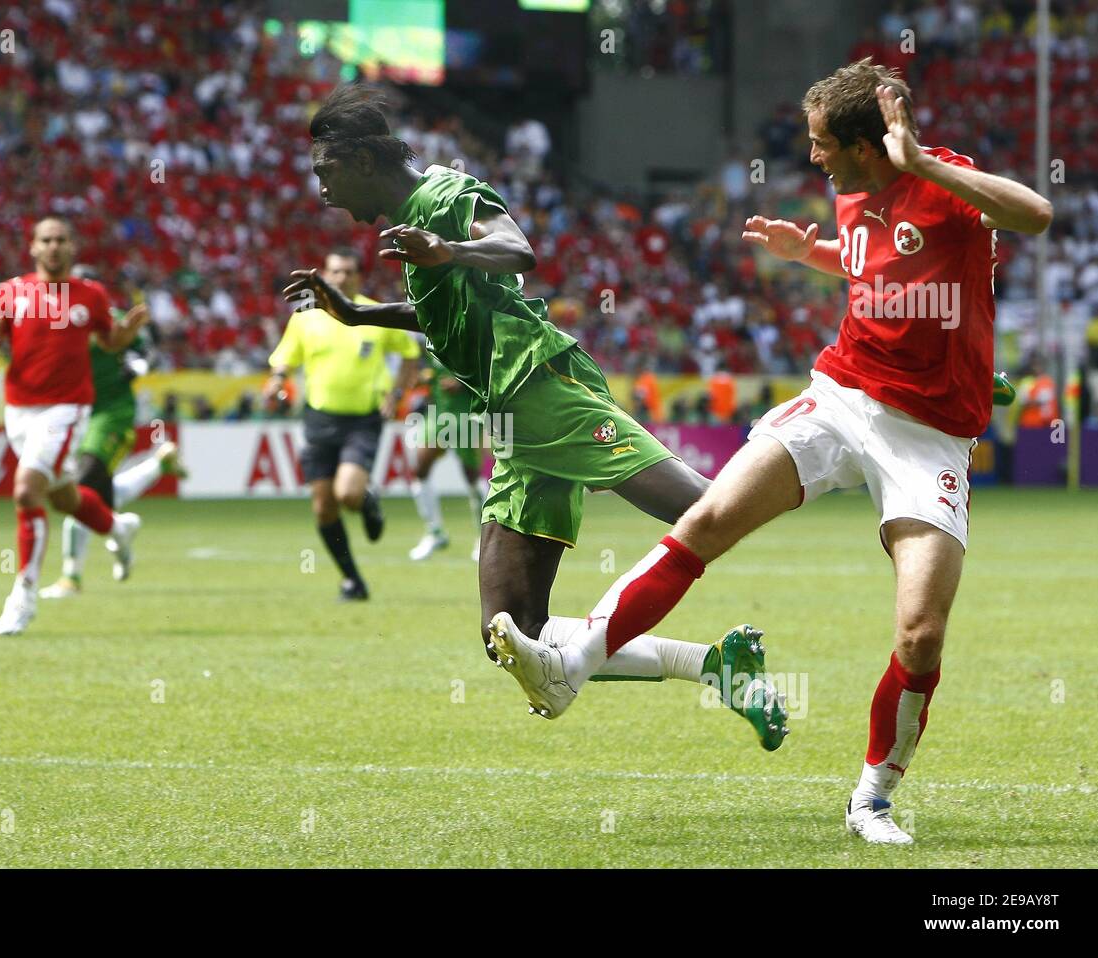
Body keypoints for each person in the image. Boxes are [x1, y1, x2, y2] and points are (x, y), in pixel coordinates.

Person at [489, 59, 1052, 845]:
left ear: (867, 144)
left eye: (823, 143)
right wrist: (807, 256)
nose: (812, 156)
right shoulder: (848, 190)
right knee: (711, 515)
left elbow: (1035, 215)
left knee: (920, 633)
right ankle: (572, 662)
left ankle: (872, 798)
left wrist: (921, 162)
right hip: (841, 395)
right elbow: (874, 269)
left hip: (929, 434)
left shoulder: (941, 183)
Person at [283, 86, 783, 748]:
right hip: (512, 418)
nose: (321, 190)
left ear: (362, 161)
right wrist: (356, 312)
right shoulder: (411, 221)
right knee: (510, 632)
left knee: (707, 510)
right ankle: (719, 669)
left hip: (541, 385)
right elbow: (442, 311)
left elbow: (517, 250)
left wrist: (450, 250)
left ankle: (802, 456)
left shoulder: (444, 195)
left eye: (326, 172)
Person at [0, 216, 148, 636]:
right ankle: (118, 527)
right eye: (46, 240)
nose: (53, 247)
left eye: (61, 240)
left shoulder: (90, 294)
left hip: (66, 410)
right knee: (64, 498)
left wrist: (124, 335)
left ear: (74, 247)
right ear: (32, 247)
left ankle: (23, 594)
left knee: (25, 490)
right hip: (19, 411)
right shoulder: (10, 292)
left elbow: (109, 343)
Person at [266, 246, 420, 601]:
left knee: (346, 494)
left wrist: (396, 395)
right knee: (323, 506)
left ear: (358, 276)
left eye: (348, 272)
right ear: (324, 274)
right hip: (319, 419)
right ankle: (352, 579)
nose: (340, 278)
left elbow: (411, 354)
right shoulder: (305, 316)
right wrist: (276, 382)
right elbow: (284, 359)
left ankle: (364, 498)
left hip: (363, 420)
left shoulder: (373, 313)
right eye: (334, 272)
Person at [40, 265, 187, 600]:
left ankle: (71, 578)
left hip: (112, 414)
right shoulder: (53, 320)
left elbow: (146, 350)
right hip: (73, 414)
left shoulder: (113, 317)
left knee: (78, 485)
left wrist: (138, 365)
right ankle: (122, 531)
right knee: (97, 497)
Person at [407, 351, 487, 562]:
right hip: (437, 413)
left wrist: (461, 383)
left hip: (465, 413)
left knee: (471, 476)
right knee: (420, 469)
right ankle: (434, 532)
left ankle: (483, 537)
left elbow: (488, 370)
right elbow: (426, 370)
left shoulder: (468, 334)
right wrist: (423, 378)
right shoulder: (430, 336)